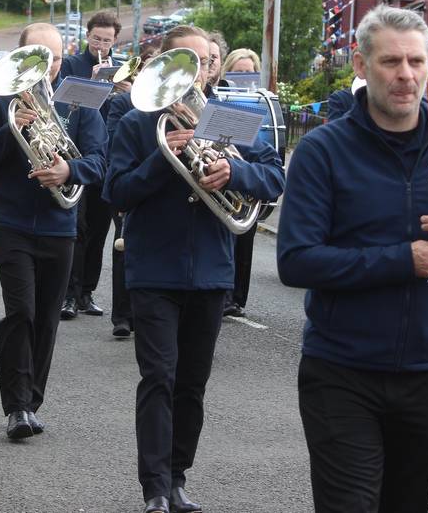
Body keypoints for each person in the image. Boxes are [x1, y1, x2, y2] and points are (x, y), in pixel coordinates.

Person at [277, 5, 428, 512]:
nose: (405, 75)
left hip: (427, 369)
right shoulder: (323, 150)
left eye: (415, 61)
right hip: (341, 370)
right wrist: (403, 260)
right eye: (390, 62)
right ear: (361, 67)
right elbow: (296, 260)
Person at [105, 25, 285, 513]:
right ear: (162, 65)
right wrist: (166, 159)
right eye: (186, 61)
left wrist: (237, 171)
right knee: (158, 377)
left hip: (210, 270)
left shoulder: (230, 118)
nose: (198, 71)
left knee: (191, 383)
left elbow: (274, 175)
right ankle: (155, 488)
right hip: (154, 269)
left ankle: (178, 476)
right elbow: (115, 192)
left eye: (205, 61)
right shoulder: (137, 124)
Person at [0, 22, 106, 439]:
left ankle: (32, 401)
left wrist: (70, 168)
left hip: (59, 224)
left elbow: (100, 160)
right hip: (11, 221)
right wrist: (14, 130)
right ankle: (15, 407)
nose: (44, 67)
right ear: (20, 56)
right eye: (36, 56)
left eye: (50, 59)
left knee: (48, 317)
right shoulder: (0, 96)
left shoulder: (77, 96)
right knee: (21, 311)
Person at [59, 11, 125, 319]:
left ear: (115, 41)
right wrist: (93, 83)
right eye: (96, 38)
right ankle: (69, 295)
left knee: (99, 230)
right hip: (77, 156)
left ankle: (87, 292)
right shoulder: (72, 65)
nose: (101, 44)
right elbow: (68, 106)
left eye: (107, 40)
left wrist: (120, 90)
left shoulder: (121, 69)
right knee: (78, 227)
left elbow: (125, 112)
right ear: (88, 36)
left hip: (107, 157)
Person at [106, 39, 160, 339]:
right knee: (123, 246)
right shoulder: (124, 103)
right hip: (129, 181)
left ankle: (144, 312)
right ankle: (122, 315)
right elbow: (114, 138)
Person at [216, 48, 262, 319]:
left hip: (247, 173)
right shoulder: (222, 100)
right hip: (222, 173)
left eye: (248, 73)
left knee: (246, 241)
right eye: (238, 72)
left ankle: (237, 298)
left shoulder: (260, 101)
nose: (244, 78)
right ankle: (222, 294)